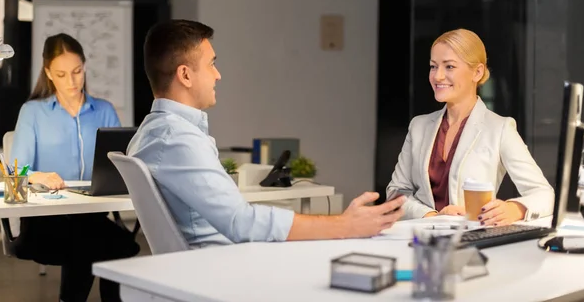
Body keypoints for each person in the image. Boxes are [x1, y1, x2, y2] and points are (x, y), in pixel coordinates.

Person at [127, 19, 406, 248]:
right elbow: (241, 222)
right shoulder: (177, 139)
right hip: (221, 269)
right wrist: (344, 225)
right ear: (185, 75)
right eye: (212, 64)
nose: (218, 75)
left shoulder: (150, 133)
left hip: (216, 263)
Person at [9, 33, 140, 302]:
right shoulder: (33, 112)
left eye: (77, 71)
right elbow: (16, 171)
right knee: (96, 245)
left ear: (84, 67)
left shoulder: (103, 110)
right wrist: (38, 175)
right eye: (61, 73)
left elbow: (119, 164)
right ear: (48, 73)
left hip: (90, 216)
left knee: (115, 244)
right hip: (44, 221)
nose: (71, 81)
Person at [386, 28, 554, 225]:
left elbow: (544, 194)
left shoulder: (500, 129)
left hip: (473, 242)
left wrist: (513, 209)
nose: (438, 76)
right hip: (421, 240)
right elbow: (396, 193)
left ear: (477, 72)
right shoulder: (418, 126)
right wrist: (432, 216)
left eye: (449, 67)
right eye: (433, 66)